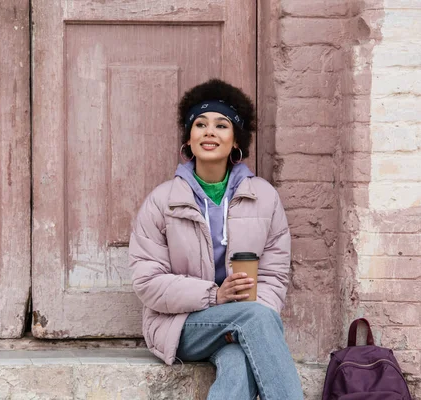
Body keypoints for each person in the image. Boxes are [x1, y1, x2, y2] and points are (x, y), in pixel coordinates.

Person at [128, 79, 303, 400]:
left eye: (222, 125)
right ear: (188, 138)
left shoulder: (264, 197)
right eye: (200, 124)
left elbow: (274, 275)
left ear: (236, 140)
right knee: (255, 318)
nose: (209, 131)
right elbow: (147, 281)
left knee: (239, 362)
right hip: (180, 326)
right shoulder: (162, 200)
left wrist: (250, 311)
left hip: (246, 321)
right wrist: (215, 296)